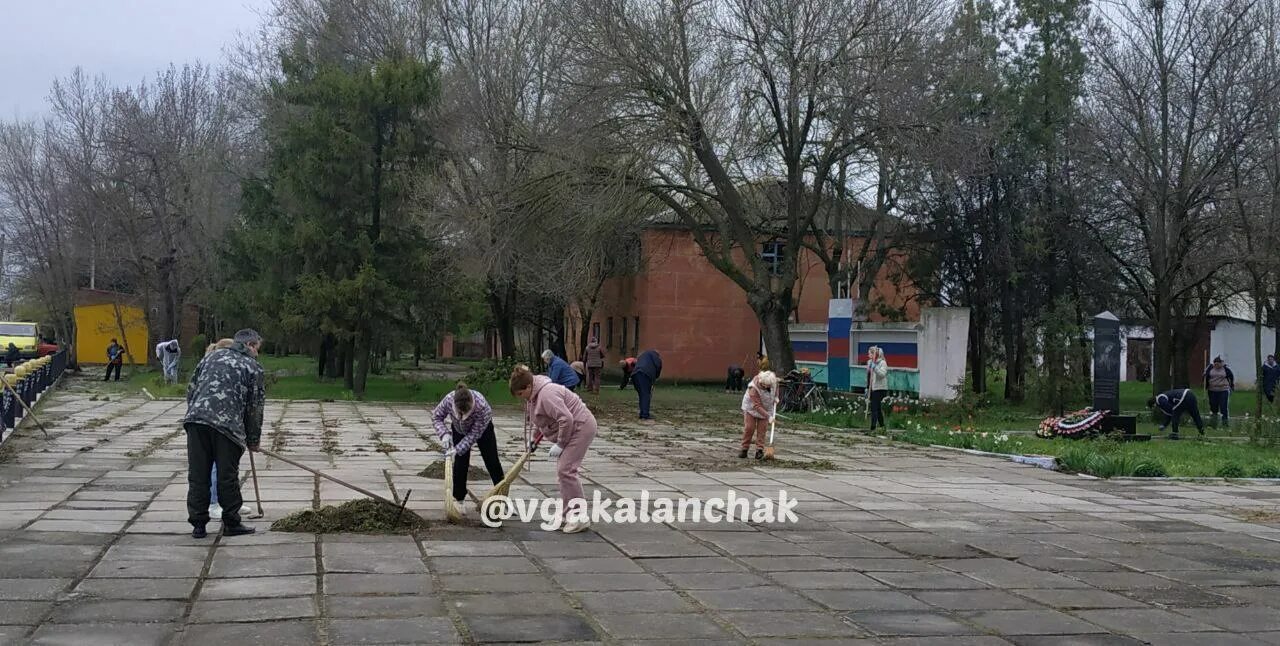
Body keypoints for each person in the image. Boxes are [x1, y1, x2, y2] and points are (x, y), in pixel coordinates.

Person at [183, 329, 265, 539]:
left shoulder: (211, 357)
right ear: (249, 345)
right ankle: (231, 522)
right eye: (257, 348)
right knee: (227, 476)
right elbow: (255, 407)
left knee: (198, 475)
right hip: (227, 427)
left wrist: (195, 414)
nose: (257, 353)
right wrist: (253, 440)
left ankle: (198, 525)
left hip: (196, 422)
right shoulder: (252, 367)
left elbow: (191, 389)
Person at [510, 364, 598, 533]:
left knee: (566, 470)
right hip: (573, 428)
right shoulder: (534, 397)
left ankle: (579, 517)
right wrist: (534, 439)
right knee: (563, 471)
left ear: (528, 386)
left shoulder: (546, 395)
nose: (522, 398)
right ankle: (568, 514)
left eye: (521, 394)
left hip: (581, 426)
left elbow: (566, 419)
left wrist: (560, 444)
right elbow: (541, 419)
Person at [434, 382, 506, 516]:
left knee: (492, 461)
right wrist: (444, 434)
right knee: (460, 463)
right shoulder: (449, 399)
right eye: (459, 412)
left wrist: (458, 448)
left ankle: (502, 498)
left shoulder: (482, 407)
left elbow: (474, 435)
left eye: (464, 413)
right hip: (458, 429)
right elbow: (436, 416)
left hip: (483, 431)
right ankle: (459, 500)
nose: (461, 415)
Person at [739, 370, 778, 459]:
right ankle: (744, 449)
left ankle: (759, 450)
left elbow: (776, 387)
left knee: (762, 429)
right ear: (762, 382)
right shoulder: (753, 388)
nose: (769, 387)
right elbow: (757, 406)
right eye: (767, 386)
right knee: (749, 428)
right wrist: (768, 417)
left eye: (770, 385)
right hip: (751, 408)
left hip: (767, 408)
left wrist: (776, 396)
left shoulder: (772, 382)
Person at [619, 349, 662, 420]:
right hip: (644, 375)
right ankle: (645, 414)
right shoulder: (655, 356)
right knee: (646, 395)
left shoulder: (643, 355)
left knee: (642, 395)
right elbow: (658, 366)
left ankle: (642, 413)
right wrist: (655, 377)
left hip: (635, 375)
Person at [1203, 356, 1235, 427]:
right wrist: (1204, 376)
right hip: (1212, 390)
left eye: (1218, 364)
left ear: (1221, 363)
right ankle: (1213, 423)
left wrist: (1231, 385)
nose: (1216, 365)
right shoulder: (1210, 368)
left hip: (1223, 390)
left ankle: (1225, 423)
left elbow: (1231, 376)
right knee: (1213, 407)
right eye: (1215, 364)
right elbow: (1205, 376)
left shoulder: (1225, 369)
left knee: (1223, 407)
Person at [866, 346, 889, 432]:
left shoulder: (882, 363)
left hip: (880, 388)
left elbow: (882, 374)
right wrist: (867, 387)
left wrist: (875, 367)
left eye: (870, 353)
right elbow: (869, 377)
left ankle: (873, 427)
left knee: (874, 407)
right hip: (872, 388)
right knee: (877, 408)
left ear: (875, 354)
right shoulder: (870, 362)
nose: (868, 355)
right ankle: (882, 425)